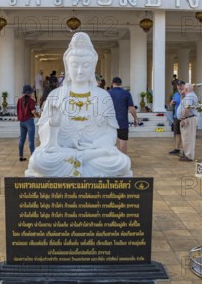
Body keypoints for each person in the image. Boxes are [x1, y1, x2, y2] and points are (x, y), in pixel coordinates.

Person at [26, 32, 131, 177]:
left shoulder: (103, 96)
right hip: (63, 153)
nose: (80, 71)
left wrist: (93, 147)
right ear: (68, 67)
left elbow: (111, 134)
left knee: (121, 162)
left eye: (86, 65)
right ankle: (81, 162)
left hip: (94, 153)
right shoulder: (55, 95)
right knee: (37, 161)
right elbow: (44, 139)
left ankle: (81, 161)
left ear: (92, 68)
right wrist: (53, 124)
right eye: (75, 65)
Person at [108, 76, 139, 154]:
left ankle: (111, 160)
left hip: (110, 122)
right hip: (122, 121)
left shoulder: (108, 93)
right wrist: (136, 118)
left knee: (110, 141)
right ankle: (123, 160)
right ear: (121, 84)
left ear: (112, 83)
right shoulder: (126, 93)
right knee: (123, 140)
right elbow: (131, 108)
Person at [177, 83, 198, 162]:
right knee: (187, 137)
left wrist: (183, 119)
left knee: (188, 138)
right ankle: (187, 154)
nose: (182, 90)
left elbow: (187, 108)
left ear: (186, 89)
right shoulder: (191, 95)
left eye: (184, 89)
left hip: (188, 119)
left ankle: (189, 156)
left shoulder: (189, 97)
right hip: (190, 118)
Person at [17, 84, 37, 162]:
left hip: (22, 122)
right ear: (29, 93)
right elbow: (33, 111)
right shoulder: (31, 101)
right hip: (29, 121)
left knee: (22, 139)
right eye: (31, 92)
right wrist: (39, 115)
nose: (32, 93)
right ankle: (33, 157)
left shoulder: (19, 100)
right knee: (31, 140)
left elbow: (18, 110)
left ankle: (21, 156)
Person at [168, 80, 186, 155]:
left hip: (184, 117)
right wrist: (171, 103)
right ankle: (177, 149)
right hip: (176, 116)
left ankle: (186, 150)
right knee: (177, 133)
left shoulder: (187, 94)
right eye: (178, 85)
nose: (179, 87)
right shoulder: (175, 94)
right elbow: (171, 105)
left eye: (181, 85)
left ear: (184, 86)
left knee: (185, 134)